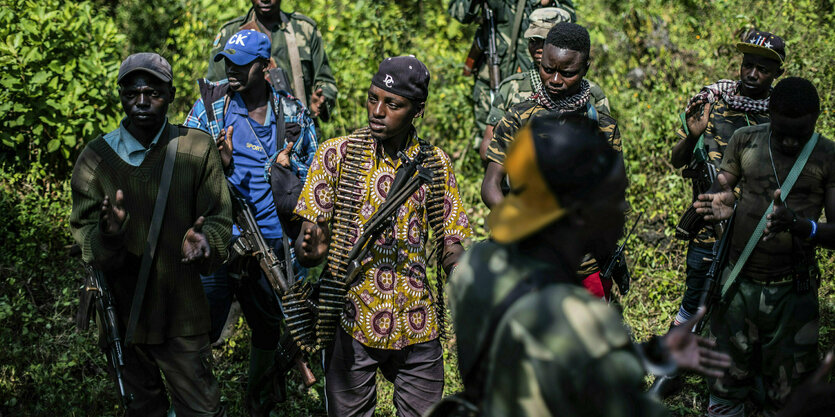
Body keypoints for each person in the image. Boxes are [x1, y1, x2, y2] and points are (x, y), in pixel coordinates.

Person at [436, 114, 730, 416]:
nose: (622, 213)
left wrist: (654, 354)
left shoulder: (480, 265)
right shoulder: (578, 314)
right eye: (614, 201)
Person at [293, 55, 473, 417]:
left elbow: (449, 238)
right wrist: (312, 249)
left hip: (417, 321)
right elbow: (308, 246)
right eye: (373, 98)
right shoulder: (337, 155)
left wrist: (463, 273)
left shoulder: (434, 163)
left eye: (393, 104)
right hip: (351, 316)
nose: (378, 110)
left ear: (417, 110)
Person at [70, 53, 231, 416]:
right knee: (143, 408)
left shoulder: (196, 148)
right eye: (132, 92)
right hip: (123, 316)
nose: (142, 102)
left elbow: (220, 219)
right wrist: (108, 235)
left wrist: (207, 245)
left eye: (153, 92)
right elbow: (85, 241)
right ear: (121, 95)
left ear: (172, 95)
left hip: (182, 313)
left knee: (202, 410)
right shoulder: (95, 160)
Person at [186, 29, 317, 416]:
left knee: (269, 328)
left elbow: (317, 176)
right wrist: (219, 164)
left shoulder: (292, 113)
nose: (232, 72)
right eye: (228, 63)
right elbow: (184, 172)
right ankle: (197, 403)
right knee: (201, 327)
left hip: (275, 246)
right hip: (223, 239)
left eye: (242, 66)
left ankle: (257, 401)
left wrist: (289, 172)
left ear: (265, 67)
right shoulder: (212, 111)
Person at [694, 77, 835, 416]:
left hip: (792, 289)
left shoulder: (827, 156)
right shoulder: (745, 140)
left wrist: (801, 226)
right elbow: (724, 182)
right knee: (725, 382)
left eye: (798, 133)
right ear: (769, 112)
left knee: (789, 393)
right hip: (737, 284)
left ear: (816, 117)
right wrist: (721, 199)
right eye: (781, 129)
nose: (788, 140)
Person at [482, 21, 622, 299]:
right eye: (547, 69)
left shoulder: (603, 127)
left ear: (585, 69)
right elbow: (490, 185)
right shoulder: (519, 117)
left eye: (567, 73)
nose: (555, 80)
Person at [669, 30, 785, 328]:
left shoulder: (781, 118)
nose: (752, 73)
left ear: (777, 73)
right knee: (691, 305)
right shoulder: (713, 101)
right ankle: (673, 366)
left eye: (763, 69)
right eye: (748, 64)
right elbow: (677, 160)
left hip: (751, 233)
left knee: (742, 315)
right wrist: (692, 135)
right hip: (706, 228)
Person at [479, 6, 610, 161]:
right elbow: (487, 146)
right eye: (534, 41)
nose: (539, 48)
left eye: (546, 41)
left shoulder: (590, 94)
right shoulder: (512, 87)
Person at [448, 0, 576, 148]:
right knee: (490, 142)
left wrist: (550, 4)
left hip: (534, 77)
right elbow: (459, 13)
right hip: (491, 76)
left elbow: (570, 24)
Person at [208, 0, 338, 122]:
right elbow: (215, 90)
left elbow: (325, 81)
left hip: (299, 127)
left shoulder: (304, 29)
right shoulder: (231, 33)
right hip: (245, 129)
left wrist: (321, 101)